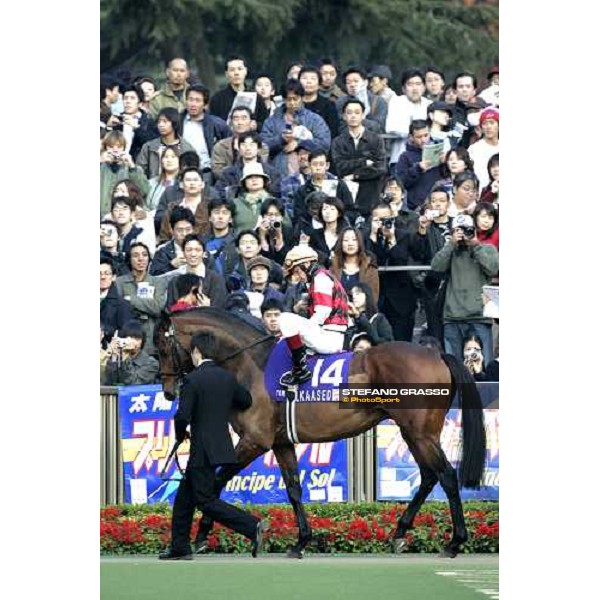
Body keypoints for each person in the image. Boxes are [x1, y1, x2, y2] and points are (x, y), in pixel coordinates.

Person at [159, 331, 267, 560]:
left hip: (202, 449)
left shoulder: (192, 379)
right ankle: (180, 548)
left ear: (197, 351)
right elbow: (245, 400)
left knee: (205, 500)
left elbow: (182, 416)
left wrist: (181, 434)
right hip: (220, 446)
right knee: (184, 500)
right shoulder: (227, 378)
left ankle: (251, 525)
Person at [430, 213, 499, 365]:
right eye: (458, 230)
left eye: (467, 230)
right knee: (455, 367)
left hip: (479, 316)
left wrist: (475, 245)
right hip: (452, 316)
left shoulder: (487, 248)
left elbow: (493, 268)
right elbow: (436, 267)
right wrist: (451, 244)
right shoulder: (450, 251)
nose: (463, 234)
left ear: (474, 230)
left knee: (483, 365)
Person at [279, 245, 352, 386]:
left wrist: (303, 328)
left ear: (307, 264)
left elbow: (323, 312)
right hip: (332, 334)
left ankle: (300, 370)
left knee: (284, 318)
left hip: (329, 337)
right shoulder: (320, 278)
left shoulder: (320, 278)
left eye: (298, 271)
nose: (298, 277)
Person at [364, 202, 426, 342]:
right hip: (377, 297)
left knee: (402, 342)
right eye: (378, 220)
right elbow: (372, 261)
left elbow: (399, 260)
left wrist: (392, 239)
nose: (383, 223)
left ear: (393, 217)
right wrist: (373, 237)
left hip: (401, 298)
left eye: (387, 219)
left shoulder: (403, 235)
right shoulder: (366, 236)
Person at [260, 79, 331, 178]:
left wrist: (300, 143)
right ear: (284, 99)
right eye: (289, 99)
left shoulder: (314, 119)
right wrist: (281, 140)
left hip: (309, 175)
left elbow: (325, 144)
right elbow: (262, 146)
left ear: (302, 98)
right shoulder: (271, 121)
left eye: (295, 98)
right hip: (279, 174)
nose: (292, 102)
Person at [331, 98, 387, 218]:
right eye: (349, 112)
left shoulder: (375, 140)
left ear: (363, 115)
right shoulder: (338, 142)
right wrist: (364, 162)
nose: (353, 116)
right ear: (344, 116)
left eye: (357, 112)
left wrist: (355, 175)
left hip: (371, 195)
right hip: (346, 198)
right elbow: (340, 167)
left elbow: (380, 168)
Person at [115, 242, 167, 357]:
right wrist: (146, 305)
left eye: (144, 255)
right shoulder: (119, 282)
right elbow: (117, 308)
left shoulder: (158, 282)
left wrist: (130, 299)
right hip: (126, 336)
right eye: (136, 255)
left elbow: (157, 307)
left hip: (151, 339)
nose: (141, 259)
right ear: (129, 259)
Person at [292, 149, 357, 230]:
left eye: (321, 164)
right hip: (313, 232)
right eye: (315, 164)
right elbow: (300, 216)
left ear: (327, 165)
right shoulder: (302, 191)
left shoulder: (339, 185)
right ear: (309, 165)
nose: (318, 168)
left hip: (338, 229)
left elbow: (350, 210)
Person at [181, 84, 231, 182]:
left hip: (207, 173)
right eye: (190, 99)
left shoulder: (217, 124)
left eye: (197, 100)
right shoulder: (177, 122)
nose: (193, 104)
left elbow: (227, 146)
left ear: (205, 104)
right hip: (182, 173)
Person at [165, 234, 228, 309]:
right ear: (183, 253)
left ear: (204, 253)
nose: (193, 254)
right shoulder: (174, 281)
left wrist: (209, 307)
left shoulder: (216, 280)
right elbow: (169, 310)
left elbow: (222, 311)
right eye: (189, 250)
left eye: (197, 250)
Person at [208, 55, 270, 130]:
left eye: (240, 69)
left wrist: (257, 125)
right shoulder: (217, 99)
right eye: (232, 70)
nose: (236, 73)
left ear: (246, 71)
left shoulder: (257, 97)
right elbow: (212, 124)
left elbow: (266, 123)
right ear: (226, 74)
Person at [385, 68, 432, 166]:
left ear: (424, 87)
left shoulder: (429, 104)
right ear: (403, 88)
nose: (415, 88)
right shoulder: (397, 102)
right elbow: (391, 127)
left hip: (426, 159)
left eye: (418, 84)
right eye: (410, 84)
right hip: (400, 157)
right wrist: (419, 133)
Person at [216, 131, 280, 200]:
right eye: (244, 145)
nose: (248, 148)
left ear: (258, 148)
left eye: (252, 145)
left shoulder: (271, 172)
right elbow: (220, 193)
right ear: (239, 148)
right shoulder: (228, 173)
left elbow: (276, 194)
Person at [395, 119, 443, 210]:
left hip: (437, 203)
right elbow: (401, 182)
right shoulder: (405, 157)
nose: (424, 140)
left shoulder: (438, 150)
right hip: (416, 206)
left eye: (426, 135)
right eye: (419, 137)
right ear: (411, 137)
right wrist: (418, 168)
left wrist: (445, 162)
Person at [100, 130, 149, 218]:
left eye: (119, 147)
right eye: (111, 146)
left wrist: (132, 167)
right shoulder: (101, 166)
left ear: (124, 148)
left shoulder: (132, 168)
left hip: (125, 217)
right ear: (105, 148)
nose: (115, 150)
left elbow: (144, 191)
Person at [136, 108, 196, 180]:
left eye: (165, 121)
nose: (161, 125)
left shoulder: (187, 148)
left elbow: (193, 172)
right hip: (154, 187)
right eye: (159, 122)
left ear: (174, 123)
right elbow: (139, 171)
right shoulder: (149, 147)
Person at [211, 106, 269, 178]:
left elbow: (260, 168)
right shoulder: (220, 146)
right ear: (231, 122)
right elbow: (217, 170)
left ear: (251, 122)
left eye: (244, 118)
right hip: (227, 184)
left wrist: (241, 152)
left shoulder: (261, 147)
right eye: (236, 119)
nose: (240, 122)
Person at [330, 226, 380, 303]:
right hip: (338, 312)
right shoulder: (333, 267)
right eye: (346, 240)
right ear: (341, 243)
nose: (350, 243)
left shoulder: (370, 267)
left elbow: (373, 297)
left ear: (360, 242)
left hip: (363, 313)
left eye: (354, 239)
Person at [104, 320, 160, 385]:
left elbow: (133, 382)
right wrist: (113, 357)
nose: (132, 342)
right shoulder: (117, 359)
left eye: (137, 339)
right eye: (129, 338)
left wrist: (125, 359)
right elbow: (109, 383)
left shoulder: (151, 363)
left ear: (142, 341)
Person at [335, 66, 388, 133]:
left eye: (356, 81)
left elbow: (379, 126)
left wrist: (355, 120)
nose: (352, 85)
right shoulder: (340, 102)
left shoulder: (379, 101)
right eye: (348, 82)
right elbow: (341, 126)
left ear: (365, 82)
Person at [150, 207, 195, 277]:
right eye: (180, 230)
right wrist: (171, 265)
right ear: (172, 230)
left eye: (188, 229)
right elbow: (153, 277)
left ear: (193, 229)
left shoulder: (202, 250)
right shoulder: (162, 252)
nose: (184, 234)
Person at [120, 85, 159, 161]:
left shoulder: (150, 122)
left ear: (140, 103)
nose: (128, 101)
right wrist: (108, 128)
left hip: (139, 165)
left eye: (132, 98)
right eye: (125, 98)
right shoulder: (117, 121)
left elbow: (153, 145)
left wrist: (137, 128)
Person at [299, 65, 339, 138]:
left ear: (319, 84)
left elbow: (333, 132)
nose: (308, 81)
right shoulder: (292, 104)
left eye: (313, 78)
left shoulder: (328, 105)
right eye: (304, 78)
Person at [308, 196, 349, 267]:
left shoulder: (346, 234)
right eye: (325, 209)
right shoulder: (314, 234)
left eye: (332, 209)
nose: (328, 212)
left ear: (339, 213)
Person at [100, 257, 134, 342]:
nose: (102, 277)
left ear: (114, 277)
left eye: (107, 273)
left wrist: (104, 331)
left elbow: (125, 333)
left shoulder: (122, 305)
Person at [468, 108, 500, 188]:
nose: (488, 127)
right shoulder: (473, 149)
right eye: (484, 124)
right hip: (482, 194)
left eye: (492, 123)